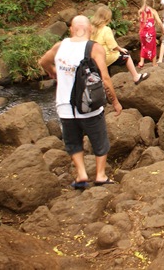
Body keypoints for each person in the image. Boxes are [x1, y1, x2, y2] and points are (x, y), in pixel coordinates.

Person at [38, 15, 121, 189]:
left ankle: (82, 174)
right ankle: (100, 174)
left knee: (73, 142)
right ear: (90, 29)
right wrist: (115, 102)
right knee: (99, 140)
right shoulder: (94, 48)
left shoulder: (60, 46)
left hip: (65, 107)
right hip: (89, 105)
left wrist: (52, 71)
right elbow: (105, 78)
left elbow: (43, 61)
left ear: (71, 30)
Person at [90, 5, 148, 85]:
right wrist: (120, 49)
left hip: (95, 58)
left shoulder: (91, 29)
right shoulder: (106, 29)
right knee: (126, 56)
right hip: (106, 57)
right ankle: (136, 77)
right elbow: (112, 45)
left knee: (106, 69)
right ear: (107, 18)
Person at [137, 0, 164, 68]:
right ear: (152, 3)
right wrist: (163, 31)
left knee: (143, 46)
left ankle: (141, 62)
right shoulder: (153, 11)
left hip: (142, 33)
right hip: (151, 34)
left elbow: (141, 22)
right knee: (153, 47)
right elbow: (159, 22)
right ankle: (154, 63)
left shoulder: (140, 11)